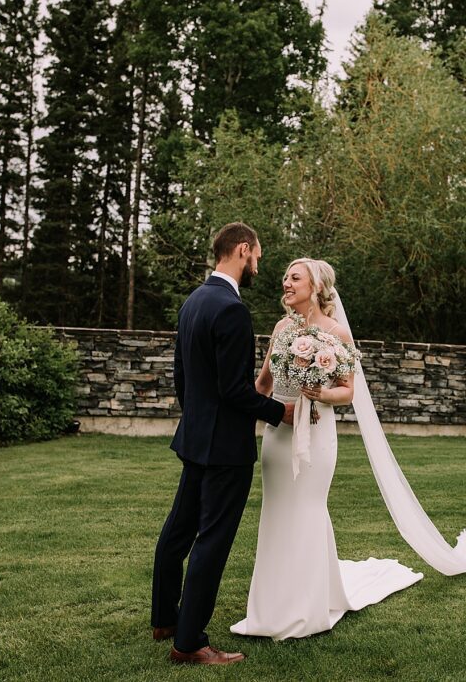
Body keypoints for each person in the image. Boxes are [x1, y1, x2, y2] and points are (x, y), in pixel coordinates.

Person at [231, 258, 423, 639]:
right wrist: (237, 417)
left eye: (294, 277)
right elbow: (264, 384)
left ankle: (307, 607)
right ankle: (269, 609)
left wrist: (320, 393)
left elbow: (348, 390)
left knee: (307, 510)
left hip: (316, 436)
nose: (285, 282)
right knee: (276, 513)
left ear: (316, 287)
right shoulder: (282, 328)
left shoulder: (336, 332)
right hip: (278, 437)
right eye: (285, 277)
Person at [151, 222, 295, 666]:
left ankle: (165, 620)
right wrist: (280, 413)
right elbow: (236, 390)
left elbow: (183, 378)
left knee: (177, 533)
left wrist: (197, 420)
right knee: (211, 540)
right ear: (243, 250)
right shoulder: (231, 309)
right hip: (226, 450)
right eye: (257, 257)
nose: (258, 266)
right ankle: (190, 642)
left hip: (195, 439)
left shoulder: (194, 301)